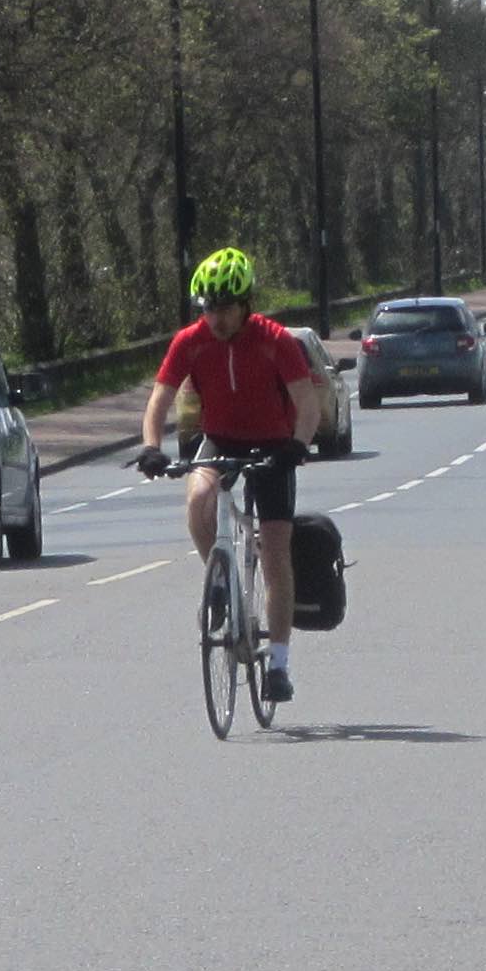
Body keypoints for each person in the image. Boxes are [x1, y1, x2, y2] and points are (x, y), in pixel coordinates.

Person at [133, 247, 323, 702]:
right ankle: (219, 580)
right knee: (198, 498)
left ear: (245, 304)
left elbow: (308, 402)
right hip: (221, 438)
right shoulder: (190, 341)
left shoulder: (274, 339)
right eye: (208, 308)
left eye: (224, 308)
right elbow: (159, 400)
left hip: (274, 443)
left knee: (275, 551)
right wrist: (151, 447)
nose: (215, 318)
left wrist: (297, 445)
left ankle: (278, 663)